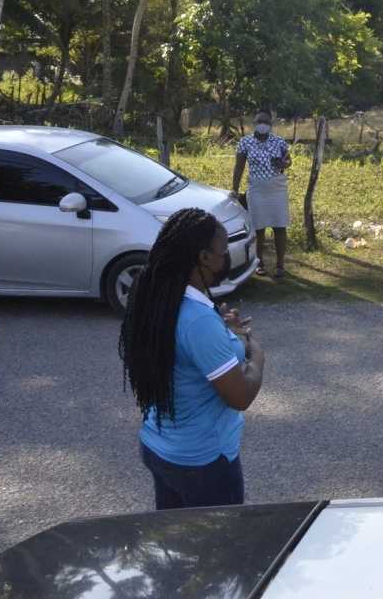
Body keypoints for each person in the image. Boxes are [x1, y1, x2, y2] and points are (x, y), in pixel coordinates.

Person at [119, 208, 265, 510]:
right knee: (217, 551)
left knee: (177, 547)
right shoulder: (198, 321)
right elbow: (240, 396)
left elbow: (180, 345)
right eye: (223, 250)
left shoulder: (158, 300)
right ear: (204, 258)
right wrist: (257, 356)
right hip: (201, 463)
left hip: (159, 448)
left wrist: (220, 330)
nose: (226, 256)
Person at [231, 109, 292, 278]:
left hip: (277, 188)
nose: (263, 125)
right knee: (258, 227)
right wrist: (234, 189)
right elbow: (239, 167)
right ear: (255, 123)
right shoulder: (245, 142)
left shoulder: (279, 141)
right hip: (256, 189)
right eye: (260, 121)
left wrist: (283, 162)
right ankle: (259, 262)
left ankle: (280, 264)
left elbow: (289, 160)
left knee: (280, 226)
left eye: (266, 122)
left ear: (271, 124)